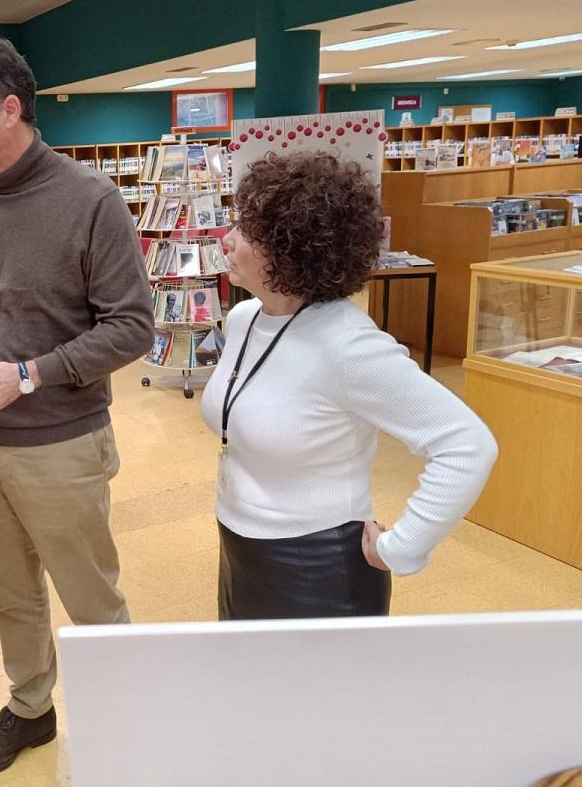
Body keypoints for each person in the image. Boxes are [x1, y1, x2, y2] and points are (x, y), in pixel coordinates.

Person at [0, 33, 154, 780]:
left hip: (60, 444)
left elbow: (132, 327)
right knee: (9, 592)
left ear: (10, 108)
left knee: (90, 597)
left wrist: (26, 374)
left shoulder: (91, 202)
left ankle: (123, 720)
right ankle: (30, 708)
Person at [200, 152, 498, 620]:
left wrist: (402, 548)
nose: (227, 239)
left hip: (318, 567)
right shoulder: (243, 320)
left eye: (248, 231)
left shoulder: (347, 346)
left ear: (290, 248)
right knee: (251, 688)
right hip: (240, 547)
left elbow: (467, 444)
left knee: (315, 694)